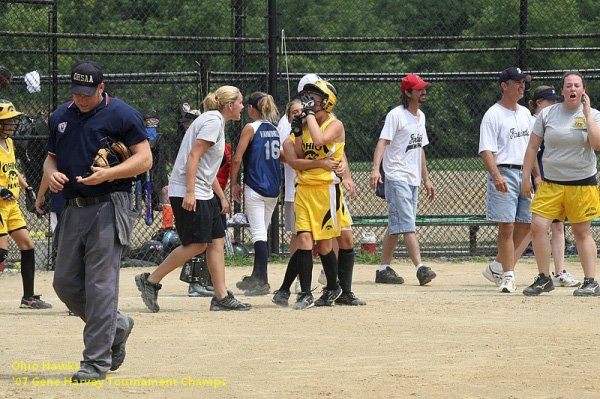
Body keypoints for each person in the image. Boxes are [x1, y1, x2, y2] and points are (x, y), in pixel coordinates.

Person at [45, 61, 152, 381]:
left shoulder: (122, 114)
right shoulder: (60, 117)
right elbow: (50, 162)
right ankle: (118, 326)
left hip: (109, 204)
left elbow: (144, 158)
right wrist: (51, 179)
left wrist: (110, 173)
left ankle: (95, 361)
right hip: (73, 207)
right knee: (64, 284)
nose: (82, 99)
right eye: (77, 93)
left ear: (101, 89)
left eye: (88, 94)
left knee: (100, 285)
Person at [135, 86, 252, 312]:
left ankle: (221, 296)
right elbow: (194, 155)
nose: (242, 107)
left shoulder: (214, 120)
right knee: (197, 244)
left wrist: (221, 197)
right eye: (240, 102)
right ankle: (149, 281)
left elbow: (206, 168)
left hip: (203, 191)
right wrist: (190, 192)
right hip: (191, 192)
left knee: (217, 240)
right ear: (230, 105)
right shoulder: (213, 122)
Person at [521, 71, 600, 296]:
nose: (572, 89)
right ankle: (544, 278)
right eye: (568, 86)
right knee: (537, 226)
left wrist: (587, 115)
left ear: (583, 90)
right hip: (551, 184)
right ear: (562, 90)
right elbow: (532, 147)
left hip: (581, 184)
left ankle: (591, 282)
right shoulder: (548, 114)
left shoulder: (593, 114)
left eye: (577, 85)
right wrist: (526, 176)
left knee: (581, 232)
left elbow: (597, 144)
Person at [271, 80, 346, 309]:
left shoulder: (335, 125)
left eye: (314, 96)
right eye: (307, 96)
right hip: (303, 188)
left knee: (324, 246)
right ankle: (304, 293)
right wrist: (297, 131)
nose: (308, 100)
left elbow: (321, 140)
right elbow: (302, 154)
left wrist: (309, 116)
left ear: (327, 101)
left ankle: (334, 287)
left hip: (325, 191)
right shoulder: (306, 123)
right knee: (304, 240)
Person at [369, 74, 437, 286]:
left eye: (424, 88)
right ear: (407, 93)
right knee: (407, 224)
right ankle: (420, 268)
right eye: (419, 89)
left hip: (412, 178)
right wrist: (375, 169)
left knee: (397, 223)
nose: (423, 91)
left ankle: (383, 269)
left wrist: (426, 179)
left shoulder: (420, 117)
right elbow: (382, 142)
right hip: (396, 176)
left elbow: (420, 150)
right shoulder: (396, 115)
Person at [478, 66, 536, 293]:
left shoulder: (524, 114)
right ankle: (508, 275)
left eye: (524, 81)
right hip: (505, 172)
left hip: (525, 172)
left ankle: (497, 266)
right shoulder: (493, 114)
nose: (522, 85)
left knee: (526, 224)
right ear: (504, 85)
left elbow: (532, 148)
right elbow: (486, 150)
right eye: (517, 81)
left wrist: (536, 175)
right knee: (507, 225)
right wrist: (496, 175)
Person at [0, 99, 51, 309]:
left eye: (13, 119)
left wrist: (27, 187)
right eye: (8, 120)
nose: (13, 123)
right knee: (1, 253)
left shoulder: (9, 143)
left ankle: (28, 297)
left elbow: (12, 169)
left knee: (27, 246)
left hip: (11, 205)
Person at [529, 86, 580, 288]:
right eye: (550, 101)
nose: (554, 104)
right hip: (541, 180)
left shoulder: (555, 120)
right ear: (539, 102)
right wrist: (535, 176)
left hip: (554, 181)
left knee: (558, 225)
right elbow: (531, 152)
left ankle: (559, 271)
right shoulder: (534, 121)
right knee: (531, 227)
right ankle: (504, 266)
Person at [231, 92, 280, 296]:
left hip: (256, 186)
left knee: (259, 234)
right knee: (262, 233)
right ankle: (256, 276)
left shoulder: (250, 128)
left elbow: (237, 159)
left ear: (251, 108)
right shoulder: (275, 129)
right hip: (273, 189)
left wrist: (233, 183)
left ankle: (263, 282)